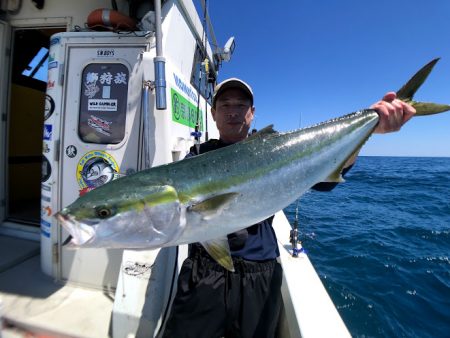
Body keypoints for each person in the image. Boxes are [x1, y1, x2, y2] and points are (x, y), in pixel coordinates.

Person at [162, 78, 415, 338]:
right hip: (203, 272)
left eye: (241, 104)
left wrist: (369, 127)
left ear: (252, 113)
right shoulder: (195, 158)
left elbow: (325, 181)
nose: (233, 111)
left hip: (259, 272)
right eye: (225, 104)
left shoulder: (275, 150)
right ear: (213, 113)